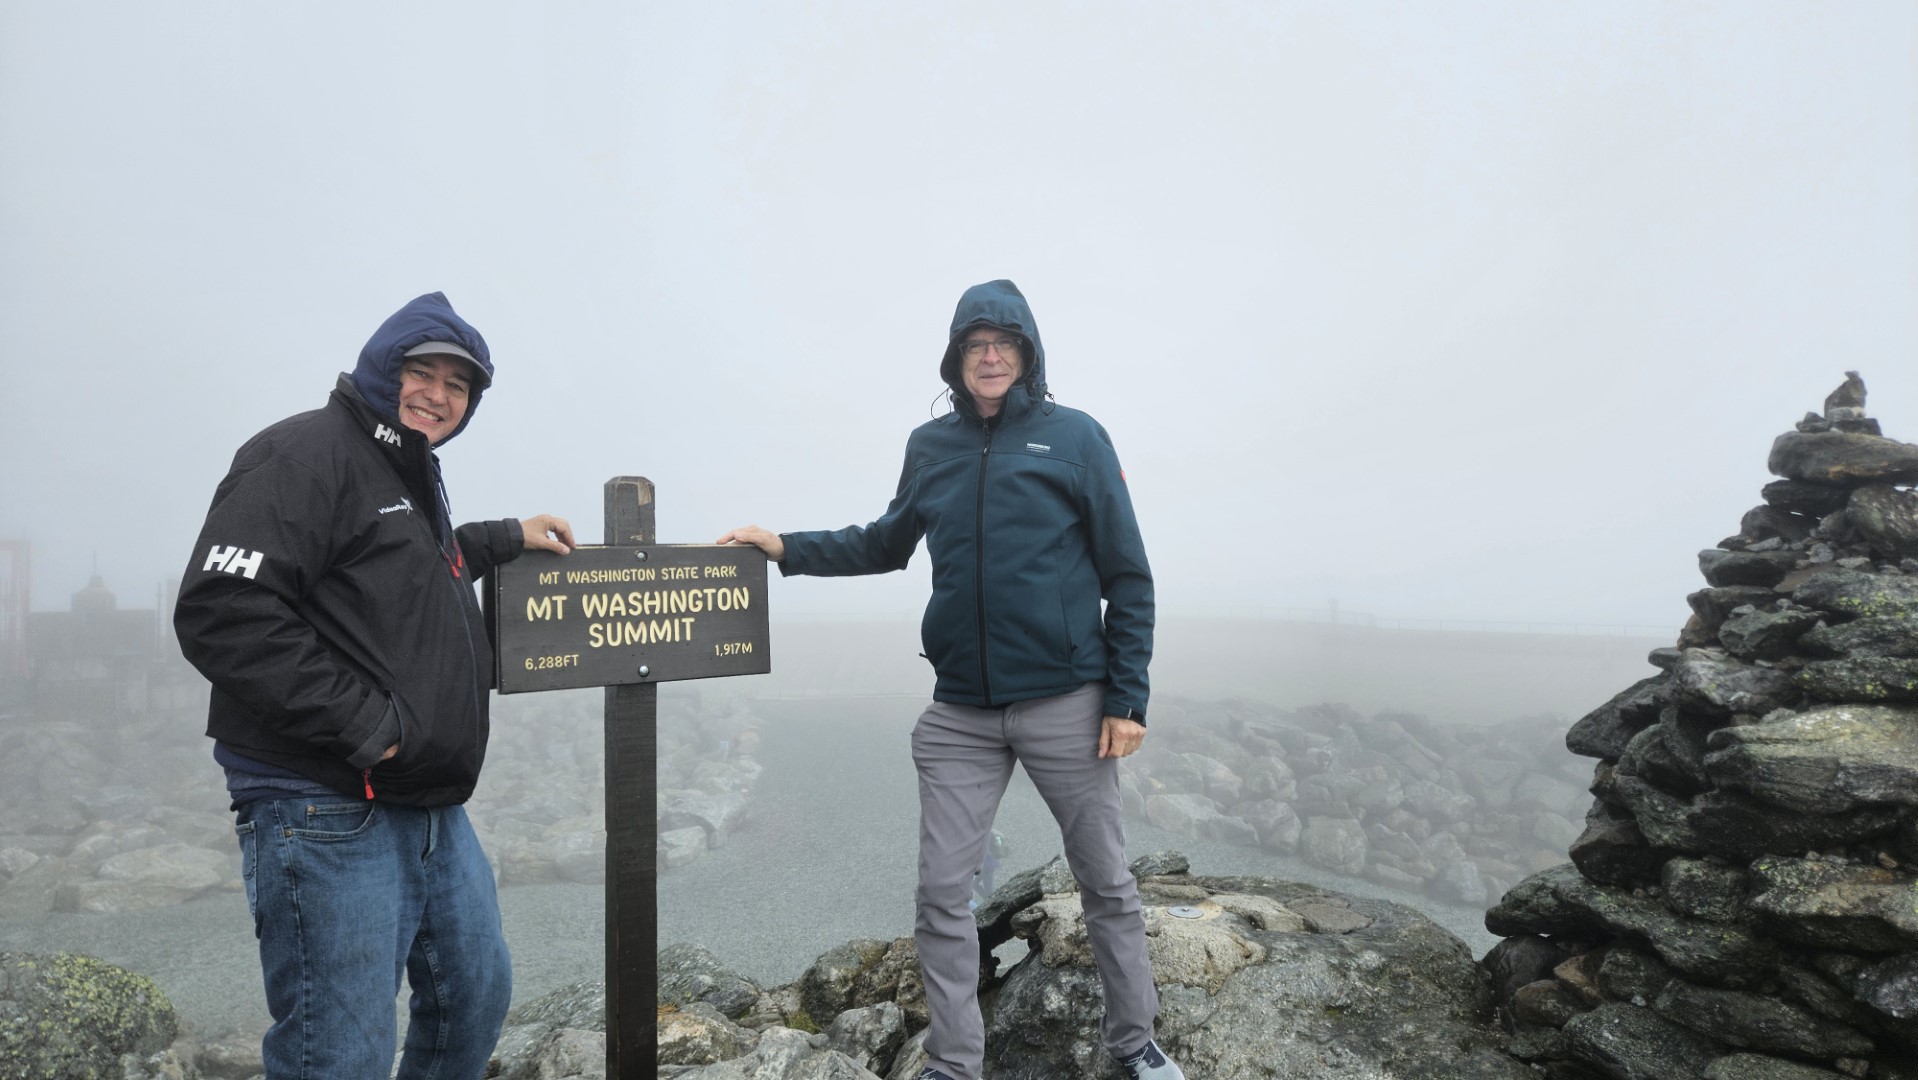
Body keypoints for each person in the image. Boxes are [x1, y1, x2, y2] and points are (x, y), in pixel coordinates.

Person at [720, 280, 1184, 1080]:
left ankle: (1135, 1044)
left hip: (1067, 699)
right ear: (957, 359)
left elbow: (1128, 574)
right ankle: (953, 1064)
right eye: (976, 344)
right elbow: (884, 540)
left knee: (1106, 881)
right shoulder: (930, 447)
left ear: (1028, 355)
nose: (991, 355)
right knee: (941, 895)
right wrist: (784, 548)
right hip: (962, 712)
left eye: (1005, 343)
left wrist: (1127, 697)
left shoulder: (1076, 438)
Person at [174, 292, 575, 1079]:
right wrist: (370, 726)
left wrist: (497, 539)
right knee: (341, 1050)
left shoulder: (408, 470)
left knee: (474, 996)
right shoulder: (301, 453)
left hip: (425, 801)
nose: (437, 394)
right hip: (322, 801)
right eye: (420, 372)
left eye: (458, 386)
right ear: (380, 368)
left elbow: (396, 569)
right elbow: (224, 608)